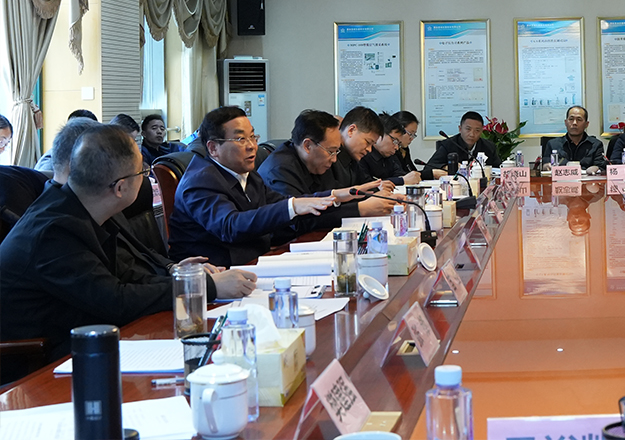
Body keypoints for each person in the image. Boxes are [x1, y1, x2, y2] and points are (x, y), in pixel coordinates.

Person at [0, 125, 255, 362]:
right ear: (120, 187)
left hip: (88, 340)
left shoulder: (86, 207)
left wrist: (187, 278)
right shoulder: (54, 231)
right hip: (40, 362)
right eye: (143, 172)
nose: (145, 179)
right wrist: (206, 287)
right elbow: (115, 301)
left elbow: (129, 274)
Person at [168, 107, 335, 266]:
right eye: (241, 139)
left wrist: (334, 197)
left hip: (256, 261)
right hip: (216, 274)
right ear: (213, 148)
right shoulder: (199, 181)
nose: (252, 146)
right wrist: (292, 206)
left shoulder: (247, 174)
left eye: (253, 137)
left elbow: (280, 203)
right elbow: (230, 226)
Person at [260, 110, 402, 232]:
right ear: (308, 146)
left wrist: (370, 197)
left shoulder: (319, 162)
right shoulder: (279, 169)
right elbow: (298, 222)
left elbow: (328, 201)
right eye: (331, 151)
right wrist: (360, 208)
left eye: (336, 151)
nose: (334, 159)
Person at [424, 111, 500, 178]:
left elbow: (498, 169)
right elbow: (428, 168)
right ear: (460, 129)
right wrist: (446, 167)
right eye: (468, 129)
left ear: (481, 131)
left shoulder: (489, 147)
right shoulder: (448, 145)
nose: (472, 134)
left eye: (477, 130)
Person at [330, 106, 386, 190]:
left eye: (372, 145)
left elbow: (366, 184)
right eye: (368, 142)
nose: (369, 150)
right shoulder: (329, 159)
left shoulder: (353, 158)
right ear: (351, 130)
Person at [359, 113, 423, 186]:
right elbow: (367, 183)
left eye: (398, 143)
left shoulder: (389, 155)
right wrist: (401, 181)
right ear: (379, 134)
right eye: (394, 141)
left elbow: (400, 174)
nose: (396, 147)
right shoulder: (363, 154)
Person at [542, 105, 607, 173]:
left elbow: (601, 166)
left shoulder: (596, 145)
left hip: (587, 179)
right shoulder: (553, 144)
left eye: (579, 120)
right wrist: (546, 166)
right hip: (561, 179)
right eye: (571, 119)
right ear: (566, 122)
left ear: (586, 124)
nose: (574, 123)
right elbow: (546, 164)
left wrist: (596, 168)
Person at [391, 110, 421, 174]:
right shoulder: (390, 150)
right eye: (410, 133)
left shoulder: (404, 149)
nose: (411, 138)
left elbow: (412, 171)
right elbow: (400, 174)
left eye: (414, 135)